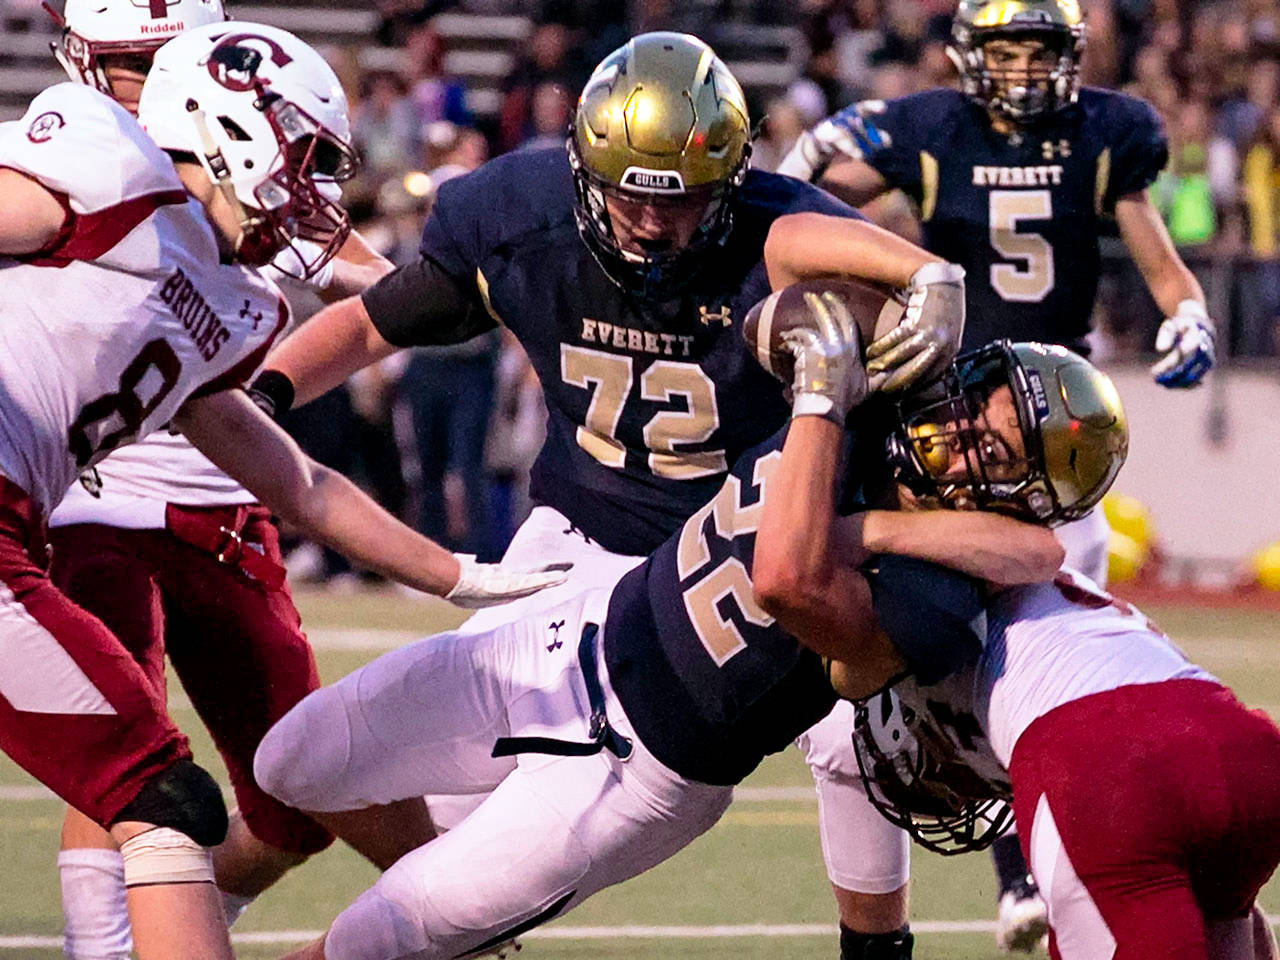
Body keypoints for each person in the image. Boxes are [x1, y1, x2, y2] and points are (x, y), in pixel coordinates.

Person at [252, 30, 968, 957]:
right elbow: (369, 326)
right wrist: (254, 401)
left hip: (734, 557)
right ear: (586, 169)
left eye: (685, 201)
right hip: (580, 534)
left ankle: (875, 946)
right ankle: (236, 889)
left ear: (730, 183)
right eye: (630, 193)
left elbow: (815, 235)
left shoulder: (774, 237)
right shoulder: (524, 219)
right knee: (412, 788)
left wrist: (929, 276)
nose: (653, 223)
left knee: (845, 738)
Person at [252, 292, 1079, 960]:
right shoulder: (878, 407)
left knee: (364, 943)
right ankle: (462, 938)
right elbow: (775, 311)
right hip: (569, 638)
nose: (968, 441)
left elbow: (788, 579)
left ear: (1019, 500)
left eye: (1000, 456)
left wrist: (857, 486)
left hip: (632, 777)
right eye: (979, 410)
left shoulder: (934, 597)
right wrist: (883, 311)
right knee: (288, 762)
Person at [0, 22, 562, 960]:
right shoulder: (108, 168)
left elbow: (295, 481)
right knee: (156, 787)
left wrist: (455, 574)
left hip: (19, 523)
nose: (311, 192)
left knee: (167, 794)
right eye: (300, 159)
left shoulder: (232, 304)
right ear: (227, 131)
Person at [776, 0, 1215, 943]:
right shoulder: (933, 125)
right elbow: (818, 190)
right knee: (918, 652)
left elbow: (1150, 242)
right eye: (1007, 47)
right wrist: (802, 175)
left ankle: (1035, 862)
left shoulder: (1109, 129)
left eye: (1039, 49)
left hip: (1053, 431)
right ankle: (1012, 867)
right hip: (951, 418)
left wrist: (1187, 308)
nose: (1021, 68)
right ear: (973, 54)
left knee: (1043, 655)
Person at [40, 3, 428, 956]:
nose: (152, 76)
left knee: (292, 806)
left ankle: (180, 919)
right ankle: (113, 945)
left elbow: (318, 237)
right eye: (131, 60)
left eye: (164, 55)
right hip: (84, 480)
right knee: (126, 743)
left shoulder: (233, 120)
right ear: (83, 59)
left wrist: (435, 292)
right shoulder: (80, 136)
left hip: (217, 487)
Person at [833, 356, 1280, 960]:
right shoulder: (1034, 565)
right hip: (1236, 738)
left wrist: (853, 534)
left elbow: (838, 653)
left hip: (1103, 762)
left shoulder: (937, 577)